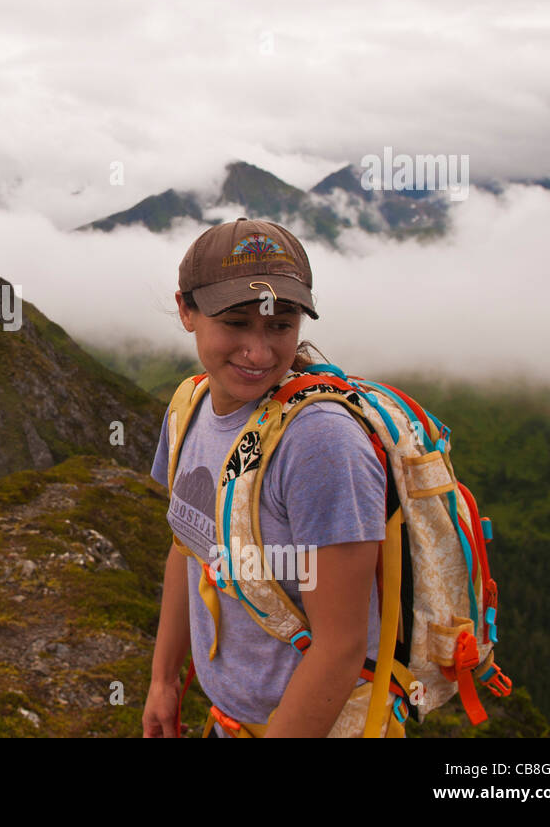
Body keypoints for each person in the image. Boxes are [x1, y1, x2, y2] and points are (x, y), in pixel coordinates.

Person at [141, 217, 386, 738]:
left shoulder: (320, 444)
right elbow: (188, 549)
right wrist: (164, 680)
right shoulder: (189, 407)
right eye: (235, 322)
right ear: (187, 309)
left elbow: (341, 649)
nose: (259, 352)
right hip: (229, 721)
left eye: (280, 324)